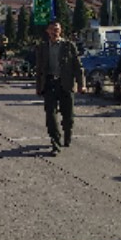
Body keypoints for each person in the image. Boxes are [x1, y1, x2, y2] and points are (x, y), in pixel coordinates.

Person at [36, 21, 86, 156]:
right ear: (47, 31)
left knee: (68, 116)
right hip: (49, 84)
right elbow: (39, 68)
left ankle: (67, 134)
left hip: (66, 84)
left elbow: (77, 66)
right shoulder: (43, 47)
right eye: (52, 29)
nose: (54, 32)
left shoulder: (69, 46)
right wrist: (38, 86)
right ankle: (55, 143)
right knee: (50, 116)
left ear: (61, 31)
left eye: (57, 29)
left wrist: (81, 84)